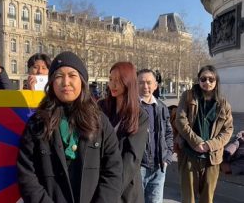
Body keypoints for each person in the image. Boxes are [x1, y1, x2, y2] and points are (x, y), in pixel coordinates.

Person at [17, 51, 123, 203]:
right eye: (59, 76)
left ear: (82, 81)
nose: (66, 82)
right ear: (52, 83)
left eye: (72, 75)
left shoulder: (99, 121)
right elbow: (27, 175)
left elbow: (113, 170)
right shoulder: (37, 123)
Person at [176, 65, 233, 203]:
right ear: (198, 80)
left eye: (211, 79)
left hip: (212, 159)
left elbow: (228, 130)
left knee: (207, 198)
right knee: (187, 198)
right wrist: (196, 142)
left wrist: (209, 145)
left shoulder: (223, 104)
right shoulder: (188, 96)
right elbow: (181, 121)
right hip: (189, 155)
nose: (207, 82)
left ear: (216, 81)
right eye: (203, 79)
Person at [98, 62, 149, 203]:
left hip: (125, 186)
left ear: (128, 82)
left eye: (118, 80)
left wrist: (112, 190)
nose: (113, 85)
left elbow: (132, 158)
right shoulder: (100, 107)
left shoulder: (140, 115)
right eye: (110, 80)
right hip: (100, 178)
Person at [137, 69, 173, 203]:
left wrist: (168, 157)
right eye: (141, 83)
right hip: (138, 167)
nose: (145, 86)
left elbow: (169, 133)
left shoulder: (162, 107)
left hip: (159, 167)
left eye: (148, 83)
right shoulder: (131, 107)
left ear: (155, 85)